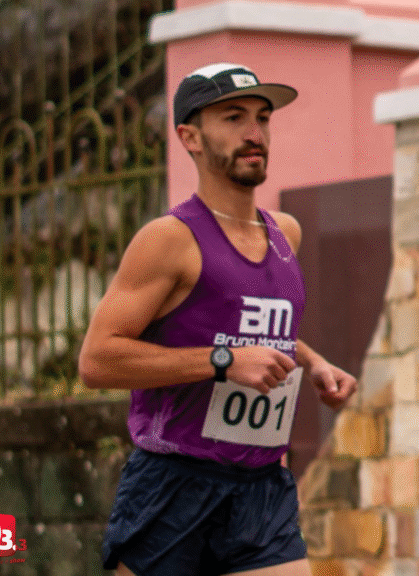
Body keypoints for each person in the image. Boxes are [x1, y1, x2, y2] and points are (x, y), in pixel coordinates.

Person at [79, 62, 357, 576]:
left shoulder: (285, 235)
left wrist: (313, 361)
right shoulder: (169, 239)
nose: (255, 134)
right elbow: (97, 360)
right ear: (190, 137)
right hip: (175, 485)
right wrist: (225, 362)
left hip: (262, 489)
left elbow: (256, 328)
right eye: (233, 118)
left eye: (262, 118)